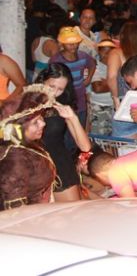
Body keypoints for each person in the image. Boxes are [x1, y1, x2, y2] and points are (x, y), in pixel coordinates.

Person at [35, 64, 92, 202]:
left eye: (60, 89)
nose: (54, 93)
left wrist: (73, 118)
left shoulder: (62, 106)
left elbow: (85, 147)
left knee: (71, 211)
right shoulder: (27, 104)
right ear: (42, 81)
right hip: (33, 166)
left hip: (58, 165)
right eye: (51, 86)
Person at [0, 88, 58, 210]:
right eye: (35, 122)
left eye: (41, 117)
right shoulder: (15, 160)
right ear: (18, 129)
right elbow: (15, 210)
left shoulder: (26, 146)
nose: (43, 123)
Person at [49, 27, 97, 128]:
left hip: (80, 99)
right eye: (69, 43)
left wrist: (88, 79)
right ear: (62, 43)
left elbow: (92, 64)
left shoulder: (83, 56)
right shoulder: (56, 60)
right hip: (64, 99)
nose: (73, 46)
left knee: (79, 125)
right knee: (65, 128)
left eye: (75, 43)